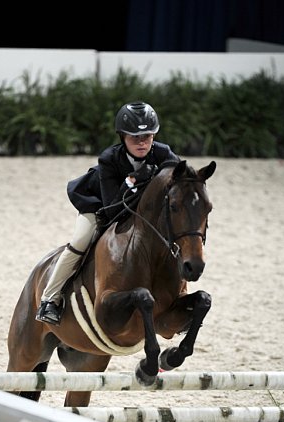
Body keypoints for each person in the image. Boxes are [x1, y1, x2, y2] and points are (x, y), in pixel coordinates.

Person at [36, 100, 180, 325]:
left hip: (140, 210)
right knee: (80, 242)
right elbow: (113, 209)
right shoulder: (109, 159)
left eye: (148, 136)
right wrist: (132, 182)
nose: (142, 143)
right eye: (135, 138)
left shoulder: (164, 154)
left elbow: (181, 182)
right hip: (100, 205)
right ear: (123, 137)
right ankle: (49, 299)